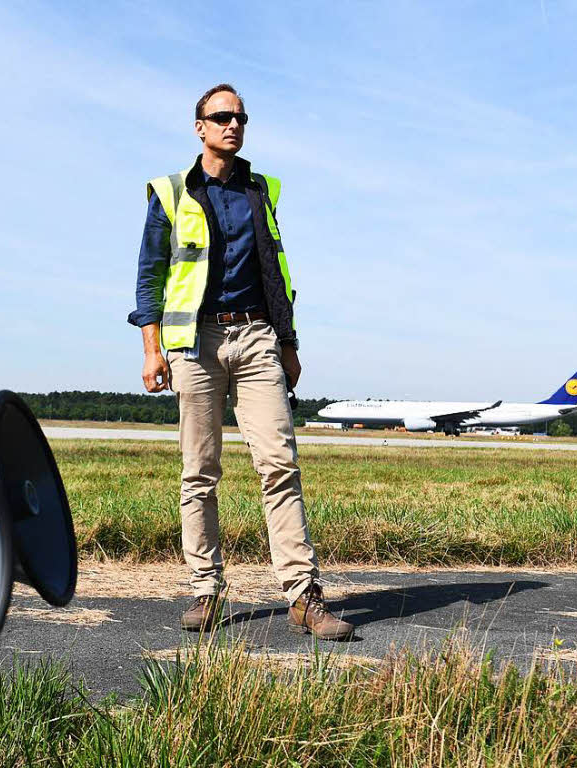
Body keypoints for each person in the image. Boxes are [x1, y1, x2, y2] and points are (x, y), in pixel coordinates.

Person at [127, 83, 353, 640]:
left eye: (241, 117)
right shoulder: (171, 191)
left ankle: (303, 596)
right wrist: (152, 350)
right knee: (199, 473)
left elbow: (278, 272)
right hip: (195, 344)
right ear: (199, 127)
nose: (233, 124)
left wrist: (290, 342)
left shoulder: (260, 190)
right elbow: (150, 275)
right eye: (221, 117)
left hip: (257, 338)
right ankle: (207, 591)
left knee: (280, 465)